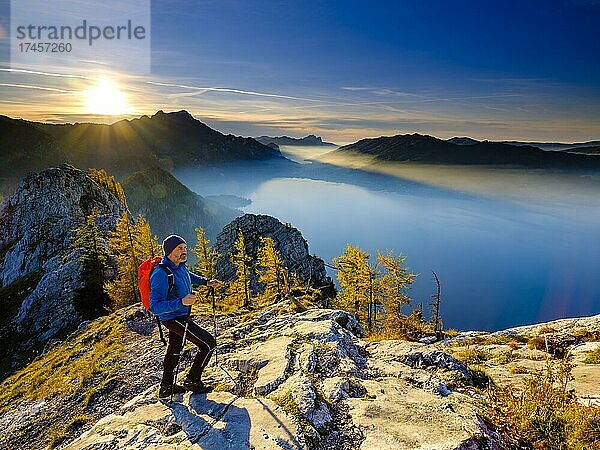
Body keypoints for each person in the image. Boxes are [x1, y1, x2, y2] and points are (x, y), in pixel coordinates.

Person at [150, 234, 220, 399]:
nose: (184, 251)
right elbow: (155, 307)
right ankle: (192, 380)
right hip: (174, 318)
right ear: (169, 252)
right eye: (180, 248)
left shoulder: (180, 266)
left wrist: (206, 282)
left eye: (185, 248)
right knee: (209, 344)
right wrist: (181, 302)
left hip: (181, 315)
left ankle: (166, 387)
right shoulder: (160, 274)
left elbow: (189, 277)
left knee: (174, 348)